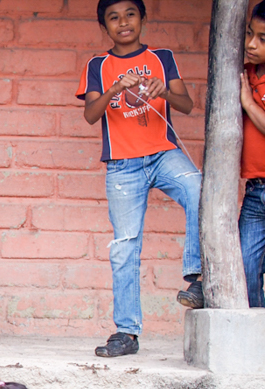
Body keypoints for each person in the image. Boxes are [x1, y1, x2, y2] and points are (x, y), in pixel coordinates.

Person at [77, 0, 202, 359]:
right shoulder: (98, 65)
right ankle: (127, 332)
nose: (123, 22)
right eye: (113, 18)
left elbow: (187, 104)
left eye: (130, 14)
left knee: (198, 190)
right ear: (104, 26)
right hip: (122, 166)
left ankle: (196, 277)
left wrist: (163, 91)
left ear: (143, 19)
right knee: (125, 247)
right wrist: (115, 89)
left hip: (163, 153)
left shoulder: (162, 58)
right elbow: (90, 114)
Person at [239, 1, 265, 308]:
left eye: (262, 39)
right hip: (255, 191)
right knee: (246, 269)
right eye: (249, 33)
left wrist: (248, 103)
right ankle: (259, 331)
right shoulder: (245, 72)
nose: (251, 44)